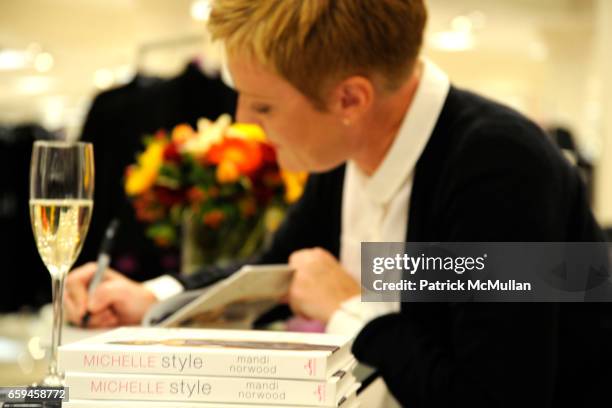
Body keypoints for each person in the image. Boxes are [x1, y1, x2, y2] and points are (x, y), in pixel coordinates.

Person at [65, 1, 612, 406]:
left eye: (263, 105)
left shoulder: (501, 169)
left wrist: (349, 308)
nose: (244, 123)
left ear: (351, 98)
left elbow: (493, 397)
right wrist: (155, 299)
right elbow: (277, 272)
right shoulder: (348, 149)